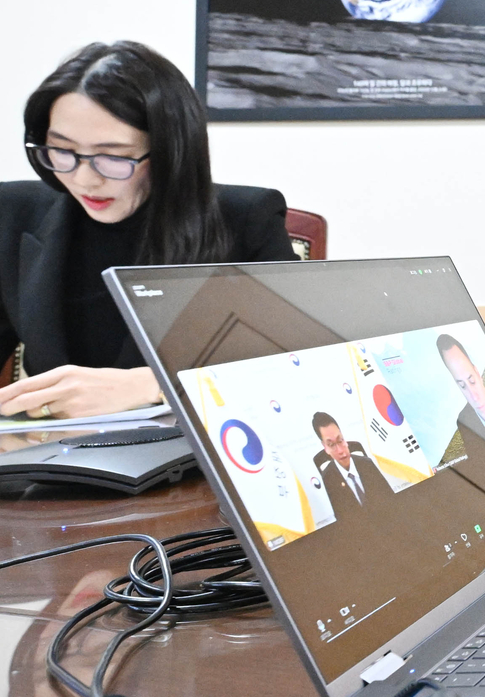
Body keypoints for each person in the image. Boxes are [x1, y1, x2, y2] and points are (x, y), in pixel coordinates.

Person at [0, 42, 296, 421]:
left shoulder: (246, 219)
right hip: (52, 457)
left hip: (185, 462)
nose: (84, 179)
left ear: (171, 150)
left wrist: (154, 385)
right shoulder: (14, 212)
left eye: (113, 156)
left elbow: (293, 372)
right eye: (62, 151)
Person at [310, 411, 395, 510]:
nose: (340, 450)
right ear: (325, 447)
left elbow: (391, 501)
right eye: (332, 445)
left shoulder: (367, 464)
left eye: (340, 440)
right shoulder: (327, 480)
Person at [437, 332, 485, 447]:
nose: (474, 397)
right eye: (463, 386)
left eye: (472, 381)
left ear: (478, 373)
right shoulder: (464, 422)